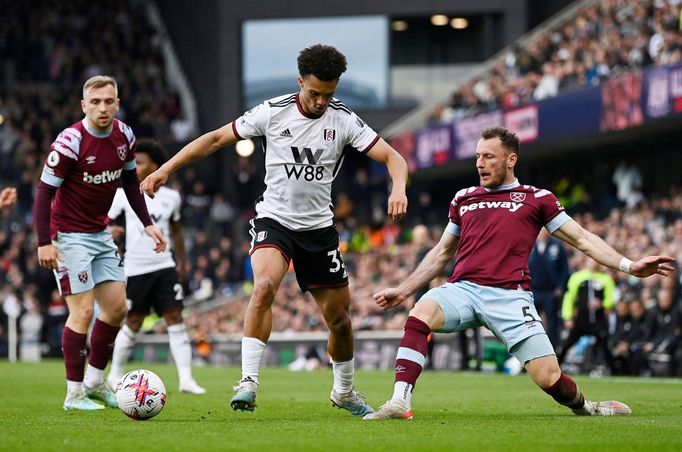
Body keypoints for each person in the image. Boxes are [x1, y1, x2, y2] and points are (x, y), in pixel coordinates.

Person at [140, 44, 408, 416]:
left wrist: (398, 187)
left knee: (341, 323)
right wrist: (166, 168)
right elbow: (216, 138)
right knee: (264, 285)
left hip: (319, 230)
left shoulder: (344, 119)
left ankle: (344, 392)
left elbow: (393, 158)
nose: (320, 102)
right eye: (314, 93)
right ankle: (248, 381)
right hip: (275, 222)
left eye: (328, 95)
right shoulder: (272, 112)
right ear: (300, 82)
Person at [364, 127, 675, 420]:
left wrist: (628, 265)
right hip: (463, 290)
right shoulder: (464, 198)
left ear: (511, 159)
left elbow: (582, 238)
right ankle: (400, 401)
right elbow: (442, 252)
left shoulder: (537, 198)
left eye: (488, 156)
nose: (480, 164)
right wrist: (404, 289)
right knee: (420, 313)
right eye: (477, 156)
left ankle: (586, 407)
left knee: (549, 377)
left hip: (510, 297)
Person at [33, 75, 166, 411]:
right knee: (83, 311)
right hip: (68, 237)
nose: (103, 107)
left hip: (99, 234)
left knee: (118, 309)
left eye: (109, 101)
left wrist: (147, 224)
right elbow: (44, 191)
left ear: (117, 103)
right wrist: (44, 242)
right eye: (95, 102)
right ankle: (73, 394)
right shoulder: (71, 142)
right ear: (84, 105)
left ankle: (94, 382)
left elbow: (130, 183)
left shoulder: (125, 136)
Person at [105, 138, 206, 394]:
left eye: (139, 163)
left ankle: (186, 379)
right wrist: (111, 231)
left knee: (175, 317)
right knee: (134, 321)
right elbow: (106, 223)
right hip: (135, 268)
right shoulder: (123, 195)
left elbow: (176, 229)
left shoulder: (172, 197)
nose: (134, 167)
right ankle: (115, 374)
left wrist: (182, 262)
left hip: (164, 265)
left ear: (155, 166)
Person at [557, 257, 615, 372]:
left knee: (605, 346)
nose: (593, 263)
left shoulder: (606, 279)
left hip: (598, 320)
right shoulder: (578, 277)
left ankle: (613, 369)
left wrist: (602, 304)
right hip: (581, 319)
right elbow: (569, 298)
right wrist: (567, 317)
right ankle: (556, 367)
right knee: (567, 344)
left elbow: (610, 298)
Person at [528, 227, 569, 347]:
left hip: (551, 291)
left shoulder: (557, 246)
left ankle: (553, 350)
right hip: (534, 290)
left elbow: (564, 269)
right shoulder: (530, 245)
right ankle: (532, 348)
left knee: (552, 323)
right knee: (530, 322)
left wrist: (560, 287)